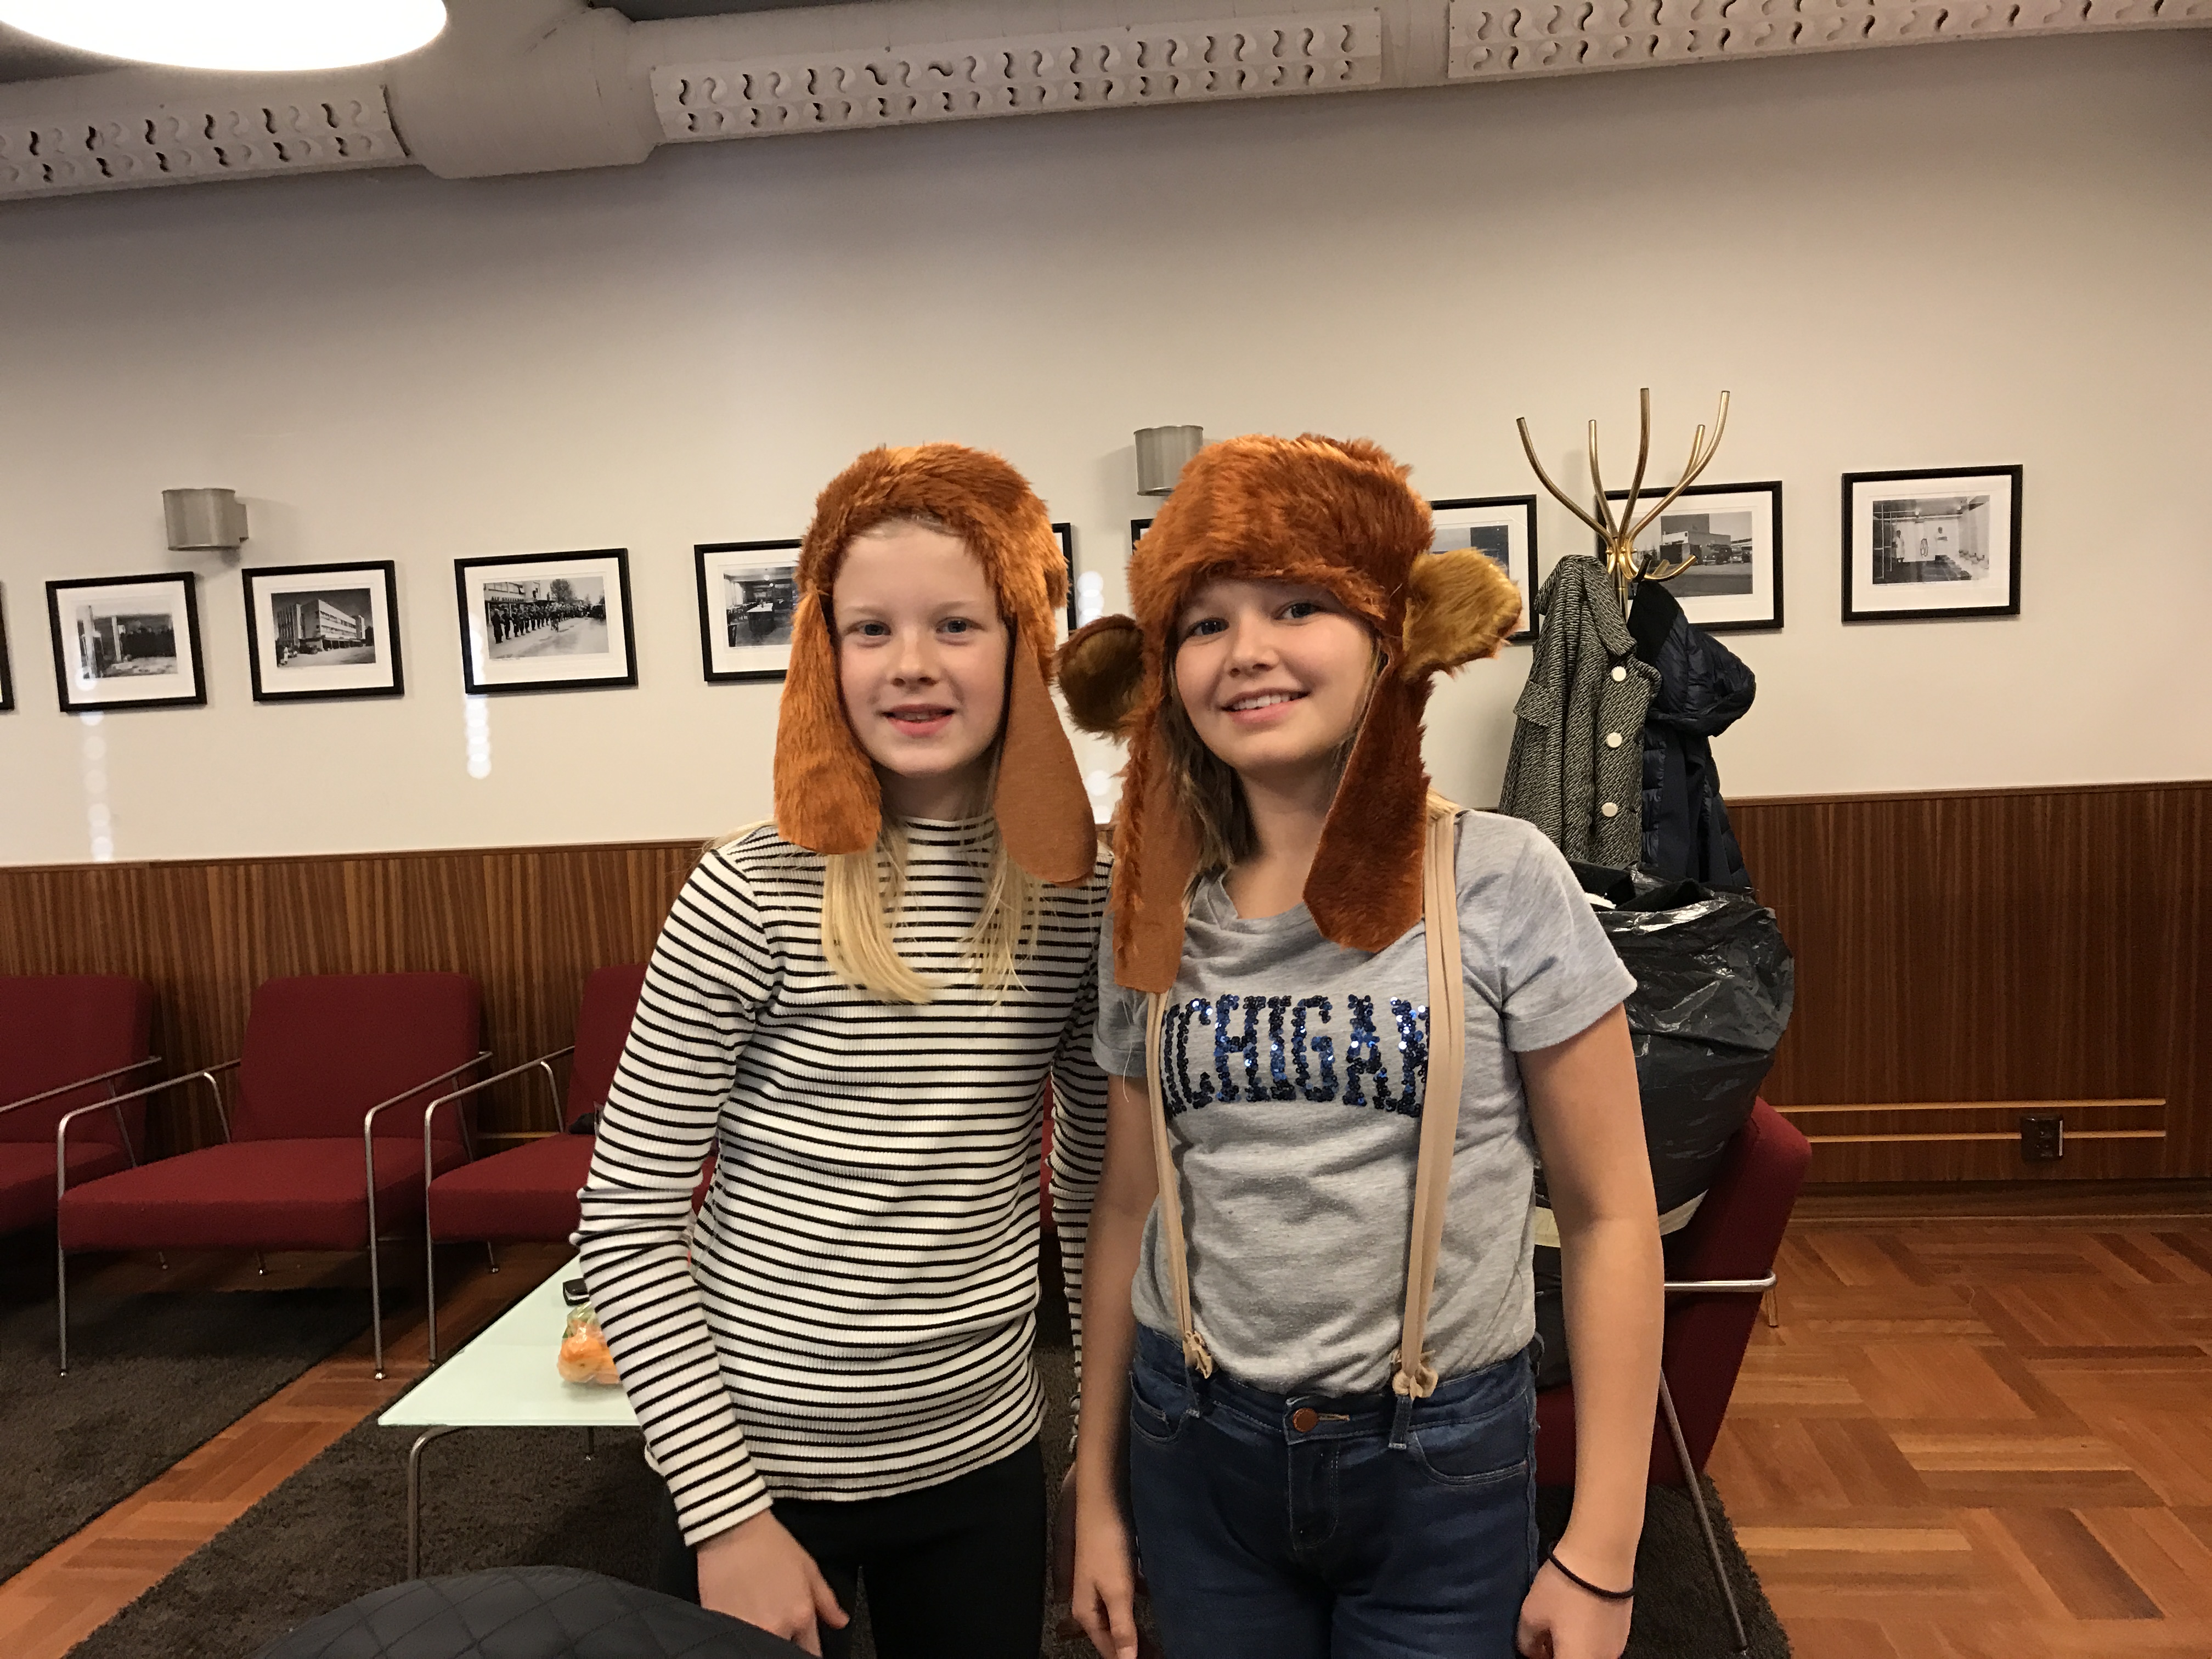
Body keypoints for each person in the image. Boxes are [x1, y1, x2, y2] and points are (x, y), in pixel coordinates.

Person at [1056, 435, 1664, 1659]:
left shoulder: (1501, 879)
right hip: (1194, 1442)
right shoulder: (1155, 904)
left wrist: (1604, 1547)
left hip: (1439, 1459)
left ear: (1394, 633)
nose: (1248, 650)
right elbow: (1126, 1208)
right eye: (1205, 623)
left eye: (1298, 606)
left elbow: (1609, 1215)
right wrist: (1097, 1488)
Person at [578, 443, 1110, 1659]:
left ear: (1024, 646)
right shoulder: (748, 890)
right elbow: (628, 1220)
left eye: (956, 625)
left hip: (980, 1460)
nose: (912, 663)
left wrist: (1099, 1449)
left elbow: (1095, 1189)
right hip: (755, 1474)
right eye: (871, 629)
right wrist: (726, 1518)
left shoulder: (1077, 893)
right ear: (827, 654)